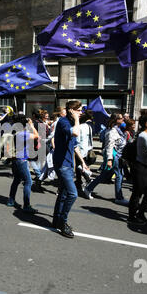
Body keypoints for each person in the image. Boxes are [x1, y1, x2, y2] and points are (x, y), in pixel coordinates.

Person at [84, 113, 129, 206]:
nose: (123, 120)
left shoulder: (117, 130)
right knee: (119, 175)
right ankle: (119, 197)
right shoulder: (111, 131)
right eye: (121, 118)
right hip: (114, 155)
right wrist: (109, 159)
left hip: (117, 155)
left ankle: (88, 188)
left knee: (105, 175)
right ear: (116, 120)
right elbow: (109, 146)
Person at [51, 101, 82, 239]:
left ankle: (56, 220)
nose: (81, 113)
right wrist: (76, 119)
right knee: (72, 194)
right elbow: (75, 133)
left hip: (68, 164)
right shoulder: (64, 122)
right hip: (62, 164)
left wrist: (83, 162)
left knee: (63, 193)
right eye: (78, 110)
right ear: (71, 111)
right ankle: (62, 223)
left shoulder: (69, 123)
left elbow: (74, 146)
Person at [6, 114, 39, 214]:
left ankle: (11, 200)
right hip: (22, 160)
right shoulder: (22, 134)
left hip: (15, 160)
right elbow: (37, 136)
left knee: (16, 180)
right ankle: (26, 205)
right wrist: (32, 126)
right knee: (28, 182)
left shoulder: (15, 132)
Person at [75, 110, 94, 193]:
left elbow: (77, 141)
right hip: (88, 149)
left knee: (79, 166)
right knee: (82, 165)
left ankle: (86, 178)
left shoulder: (79, 127)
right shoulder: (89, 127)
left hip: (80, 149)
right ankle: (79, 182)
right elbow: (91, 139)